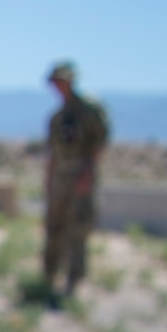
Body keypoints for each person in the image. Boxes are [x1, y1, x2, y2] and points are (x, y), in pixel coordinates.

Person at [43, 60, 108, 307]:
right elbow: (52, 153)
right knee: (54, 226)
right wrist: (49, 180)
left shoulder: (90, 110)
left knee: (77, 228)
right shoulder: (58, 116)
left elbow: (98, 146)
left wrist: (87, 175)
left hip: (81, 176)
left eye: (60, 82)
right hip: (60, 177)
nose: (57, 87)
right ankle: (48, 277)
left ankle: (74, 280)